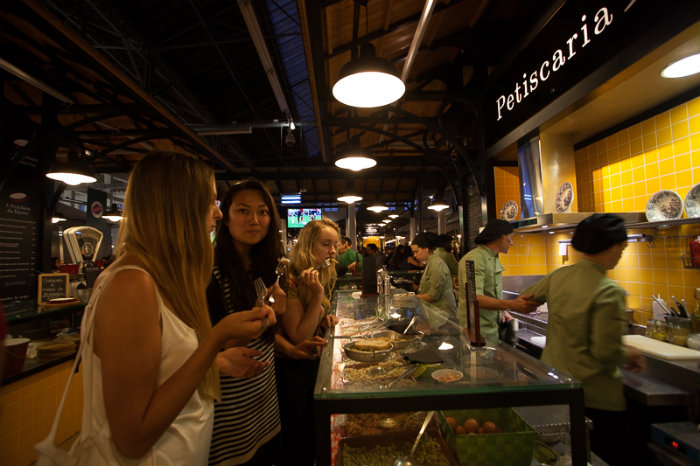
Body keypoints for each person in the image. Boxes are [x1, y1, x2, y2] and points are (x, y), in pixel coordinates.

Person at [71, 151, 276, 465]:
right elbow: (133, 437)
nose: (217, 214)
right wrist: (216, 338)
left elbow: (169, 374)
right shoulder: (131, 284)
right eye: (209, 201)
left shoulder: (159, 278)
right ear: (175, 206)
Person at [207, 179, 323, 466]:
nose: (255, 221)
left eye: (263, 212)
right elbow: (212, 349)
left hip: (265, 405)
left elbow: (265, 335)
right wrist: (264, 316)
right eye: (243, 211)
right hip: (229, 411)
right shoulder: (211, 272)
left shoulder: (264, 270)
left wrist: (290, 349)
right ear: (225, 215)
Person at [521, 213, 646, 466]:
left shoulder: (558, 276)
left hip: (555, 385)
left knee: (566, 455)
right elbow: (606, 351)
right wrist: (632, 353)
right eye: (622, 247)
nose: (621, 253)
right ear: (612, 247)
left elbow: (526, 297)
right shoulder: (608, 290)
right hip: (594, 397)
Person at [276, 218, 340, 465]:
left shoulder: (319, 273)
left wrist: (323, 317)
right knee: (299, 444)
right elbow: (299, 336)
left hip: (310, 366)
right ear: (307, 245)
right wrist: (319, 297)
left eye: (335, 244)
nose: (333, 251)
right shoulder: (292, 276)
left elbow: (312, 319)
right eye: (326, 244)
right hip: (293, 371)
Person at [457, 219, 539, 345]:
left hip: (492, 332)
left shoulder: (493, 257)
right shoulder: (475, 259)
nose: (512, 243)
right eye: (511, 238)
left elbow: (490, 293)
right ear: (502, 237)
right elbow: (476, 299)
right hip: (477, 334)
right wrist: (512, 304)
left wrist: (501, 310)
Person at [411, 232, 458, 332]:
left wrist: (412, 298)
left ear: (426, 248)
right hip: (437, 317)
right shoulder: (430, 263)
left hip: (444, 319)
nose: (414, 255)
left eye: (416, 251)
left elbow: (433, 296)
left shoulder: (436, 264)